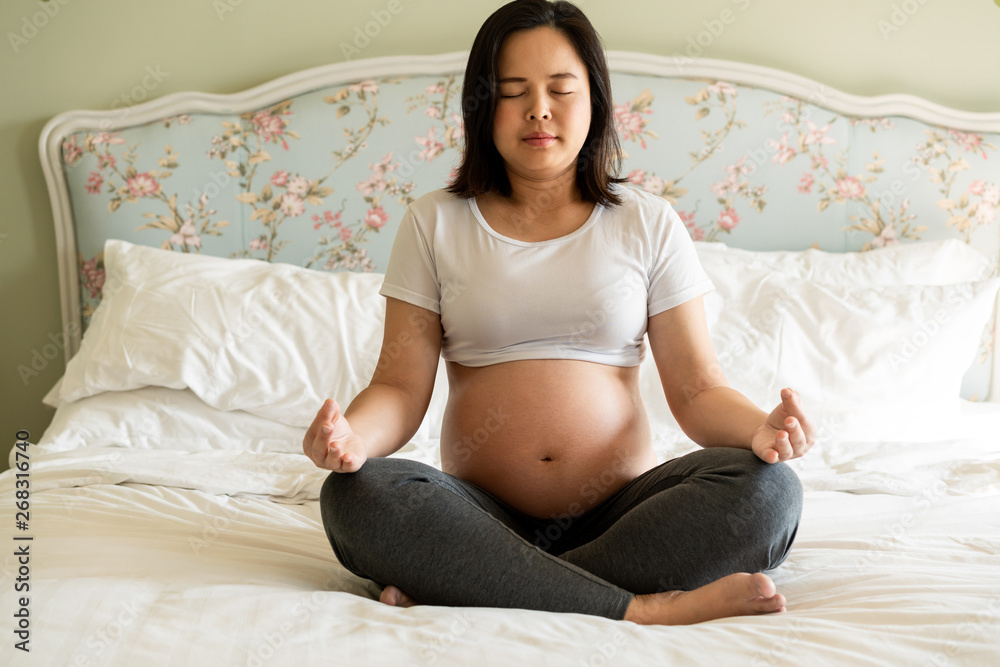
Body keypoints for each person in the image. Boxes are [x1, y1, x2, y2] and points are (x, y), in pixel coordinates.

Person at [303, 0, 813, 625]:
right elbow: (398, 390)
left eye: (560, 90)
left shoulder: (646, 221)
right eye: (513, 91)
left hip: (625, 513)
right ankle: (641, 608)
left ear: (593, 100)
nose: (538, 109)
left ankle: (471, 579)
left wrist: (760, 429)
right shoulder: (434, 222)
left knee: (768, 489)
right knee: (359, 496)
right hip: (480, 512)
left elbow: (699, 389)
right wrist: (353, 438)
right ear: (482, 108)